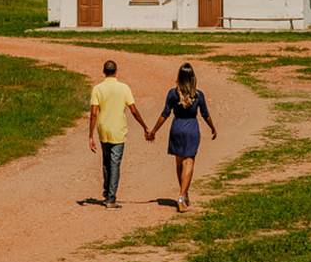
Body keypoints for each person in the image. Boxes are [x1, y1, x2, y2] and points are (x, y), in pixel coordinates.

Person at [146, 63, 217, 213]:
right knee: (189, 162)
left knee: (179, 163)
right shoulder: (198, 94)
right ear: (193, 78)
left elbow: (165, 114)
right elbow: (205, 114)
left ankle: (184, 194)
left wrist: (153, 131)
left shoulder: (173, 94)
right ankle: (181, 196)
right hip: (191, 128)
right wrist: (213, 128)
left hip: (177, 127)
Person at [88, 59, 150, 209]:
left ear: (103, 72)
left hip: (103, 129)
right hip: (118, 130)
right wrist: (144, 127)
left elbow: (94, 114)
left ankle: (106, 191)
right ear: (116, 72)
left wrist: (90, 135)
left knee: (106, 161)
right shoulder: (124, 88)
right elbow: (133, 110)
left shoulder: (97, 89)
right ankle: (111, 199)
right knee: (115, 163)